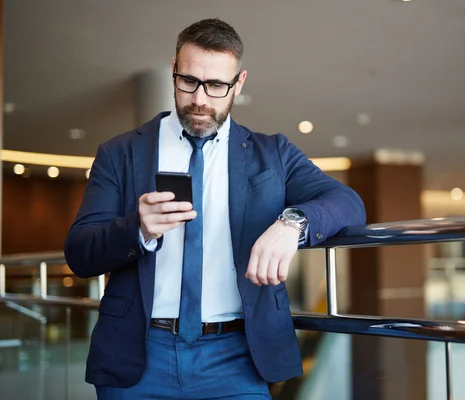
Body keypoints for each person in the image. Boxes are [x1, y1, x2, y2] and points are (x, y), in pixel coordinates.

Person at [65, 18, 366, 400]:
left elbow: (347, 202)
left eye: (217, 86)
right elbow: (79, 252)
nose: (200, 99)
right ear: (173, 69)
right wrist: (136, 230)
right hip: (139, 356)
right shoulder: (120, 153)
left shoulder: (271, 154)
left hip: (237, 359)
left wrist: (293, 223)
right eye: (188, 81)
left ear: (239, 83)